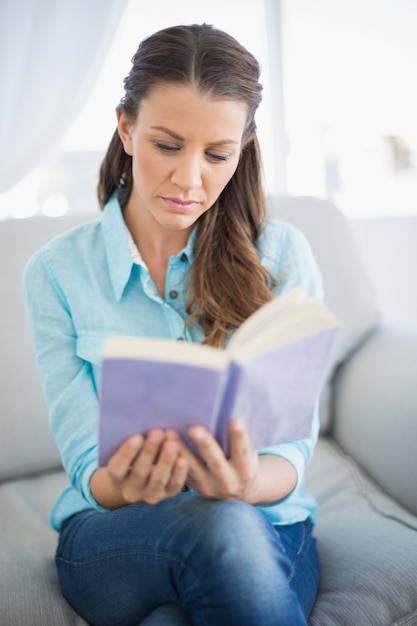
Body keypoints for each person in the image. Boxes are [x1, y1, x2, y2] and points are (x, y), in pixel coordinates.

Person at [24, 23, 323, 626]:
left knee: (214, 550)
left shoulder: (284, 256)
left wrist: (244, 483)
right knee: (215, 528)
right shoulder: (56, 272)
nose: (190, 180)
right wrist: (125, 486)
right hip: (115, 534)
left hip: (264, 525)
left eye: (217, 155)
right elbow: (87, 463)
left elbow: (293, 445)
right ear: (127, 128)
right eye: (167, 146)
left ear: (242, 148)